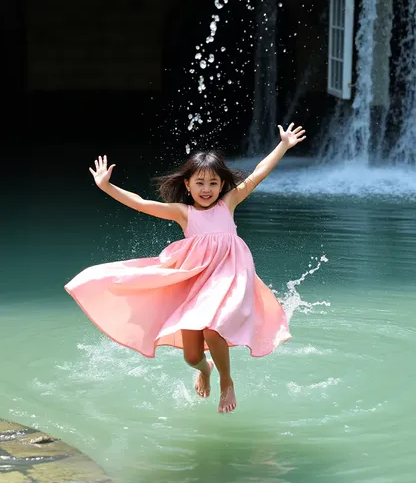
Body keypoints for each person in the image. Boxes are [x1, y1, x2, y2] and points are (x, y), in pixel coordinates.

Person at [65, 123, 306, 413]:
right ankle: (204, 370)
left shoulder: (228, 204)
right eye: (200, 183)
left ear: (222, 186)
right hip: (198, 283)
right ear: (187, 185)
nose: (207, 189)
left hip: (230, 278)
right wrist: (107, 186)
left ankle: (226, 381)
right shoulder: (184, 213)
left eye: (214, 183)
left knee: (213, 328)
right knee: (192, 355)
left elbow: (257, 174)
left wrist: (283, 146)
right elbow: (142, 203)